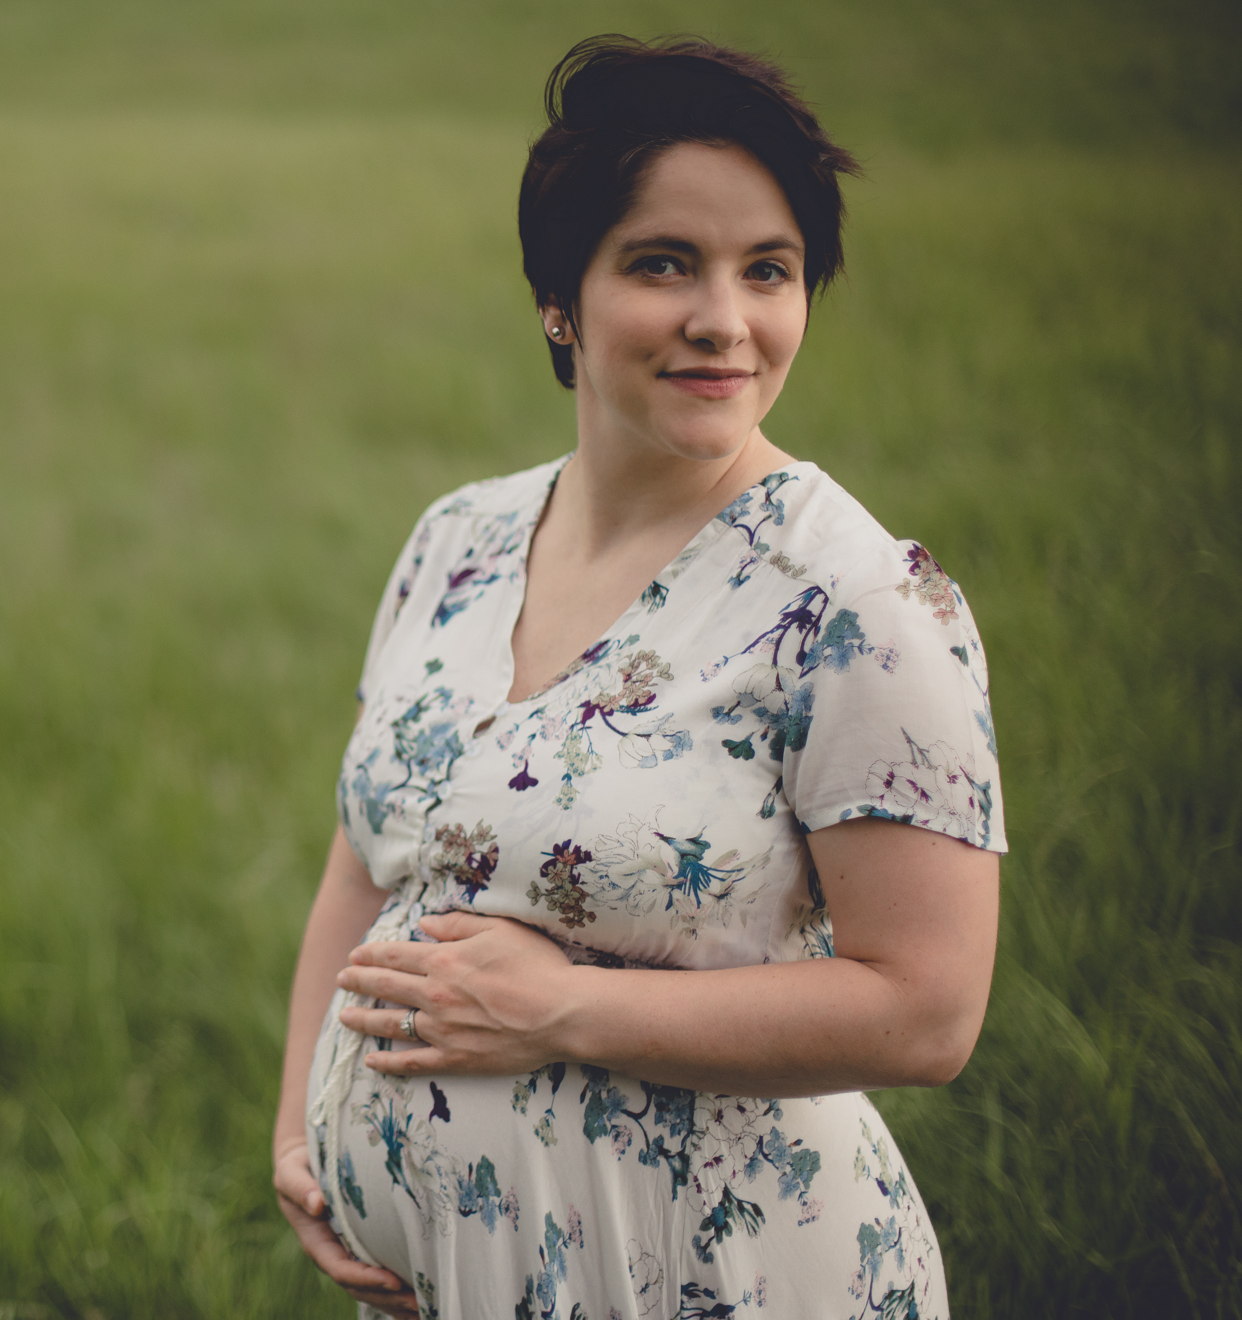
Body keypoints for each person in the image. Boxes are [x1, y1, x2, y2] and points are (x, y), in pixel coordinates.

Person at [272, 35, 1004, 1320]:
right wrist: (303, 1136)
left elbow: (927, 1012)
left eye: (766, 271)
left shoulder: (857, 607)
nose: (724, 319)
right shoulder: (461, 540)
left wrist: (564, 1010)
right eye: (665, 263)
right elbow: (367, 855)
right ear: (562, 295)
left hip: (717, 1275)